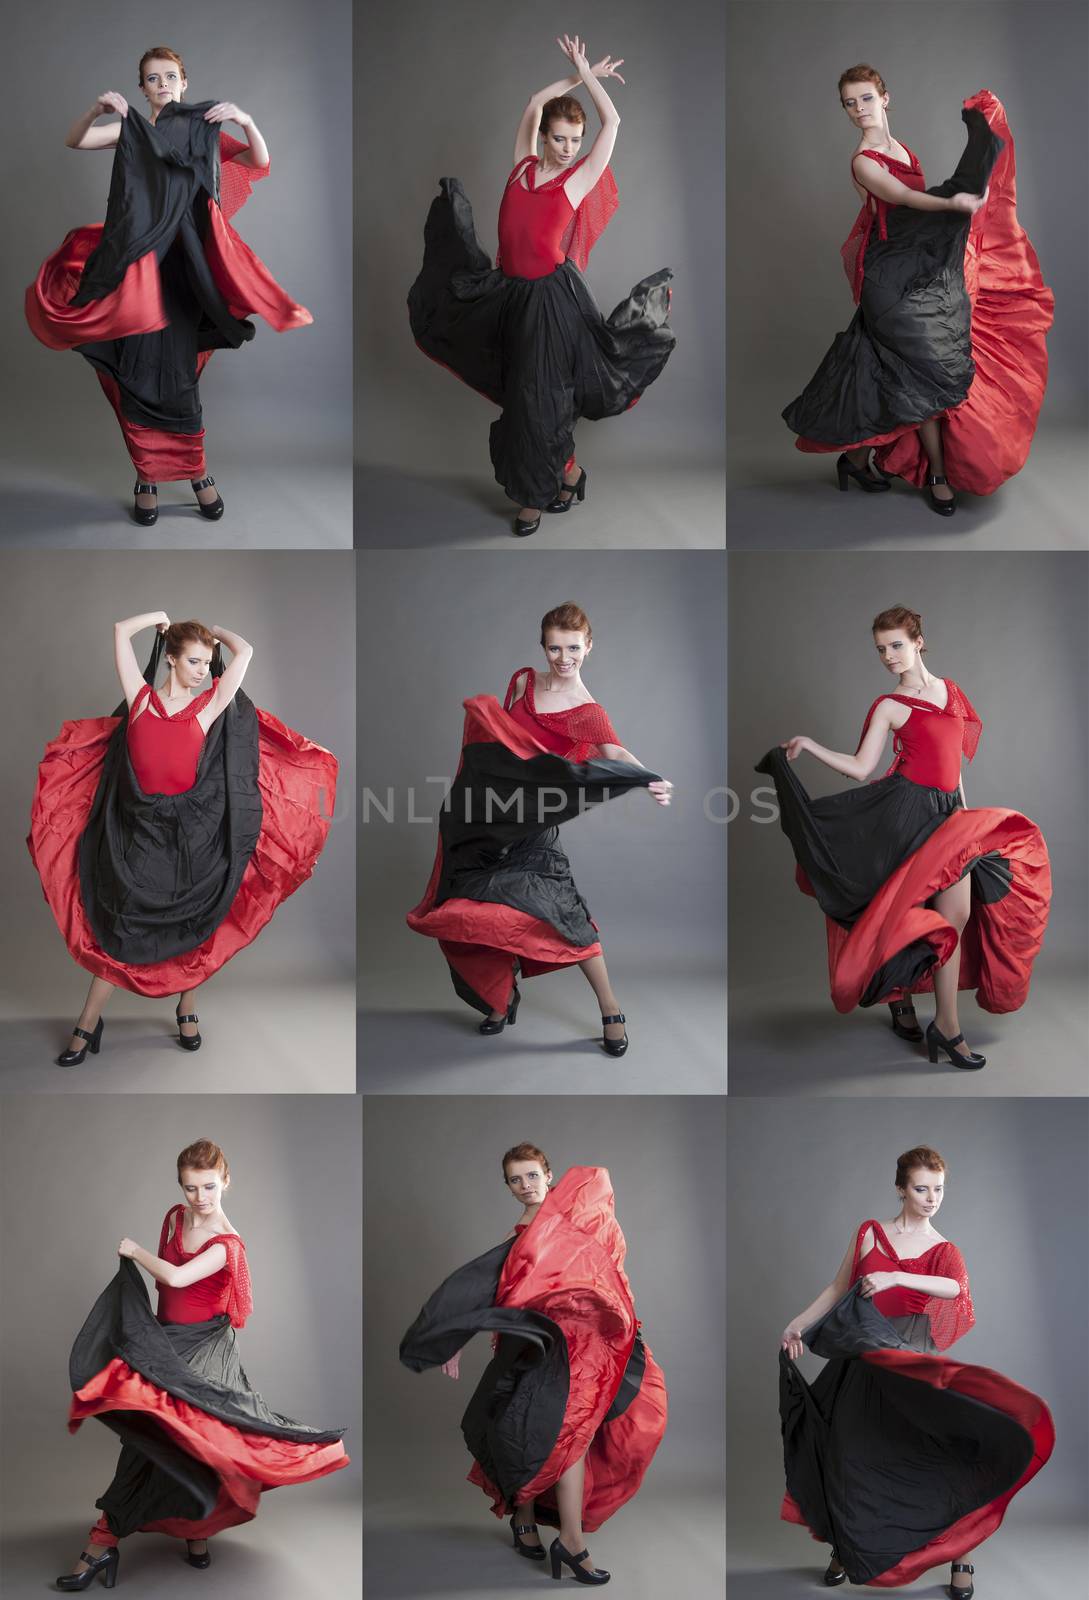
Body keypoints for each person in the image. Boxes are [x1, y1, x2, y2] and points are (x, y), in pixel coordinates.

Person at [29, 613, 338, 1063]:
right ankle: (88, 1024)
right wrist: (156, 619)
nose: (201, 670)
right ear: (171, 659)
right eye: (194, 661)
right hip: (136, 834)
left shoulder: (208, 708)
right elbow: (119, 631)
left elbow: (245, 652)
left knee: (191, 924)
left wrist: (216, 634)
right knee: (121, 927)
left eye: (206, 662)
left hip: (192, 839)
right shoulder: (139, 700)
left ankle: (186, 1008)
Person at [26, 45, 311, 524]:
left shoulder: (202, 132)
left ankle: (197, 472)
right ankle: (147, 477)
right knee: (135, 372)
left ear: (184, 83)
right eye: (152, 79)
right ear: (142, 89)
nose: (162, 85)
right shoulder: (132, 129)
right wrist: (97, 110)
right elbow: (76, 141)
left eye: (170, 77)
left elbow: (259, 159)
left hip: (182, 275)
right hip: (135, 273)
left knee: (178, 378)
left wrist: (245, 119)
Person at [755, 605, 1050, 1065]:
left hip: (949, 818)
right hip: (902, 816)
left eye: (895, 645)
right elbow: (860, 768)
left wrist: (967, 820)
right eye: (880, 650)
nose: (888, 656)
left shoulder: (951, 692)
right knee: (899, 912)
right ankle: (912, 1007)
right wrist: (810, 745)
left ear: (918, 641)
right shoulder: (889, 705)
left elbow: (954, 771)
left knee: (953, 920)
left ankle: (944, 1024)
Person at [409, 34, 675, 535]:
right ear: (544, 138)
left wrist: (591, 79)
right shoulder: (520, 168)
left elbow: (613, 123)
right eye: (560, 138)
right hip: (508, 297)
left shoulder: (573, 183)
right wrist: (576, 70)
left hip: (552, 303)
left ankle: (536, 494)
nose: (569, 149)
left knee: (540, 398)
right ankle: (569, 474)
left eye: (575, 140)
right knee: (528, 393)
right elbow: (534, 103)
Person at [55, 1138, 348, 1590]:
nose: (200, 1198)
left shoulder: (227, 1245)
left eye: (209, 1187)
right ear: (181, 1186)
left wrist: (133, 1252)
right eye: (191, 1188)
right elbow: (162, 1295)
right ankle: (146, 1540)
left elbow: (173, 1277)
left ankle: (107, 1545)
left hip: (205, 1351)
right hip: (164, 1344)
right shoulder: (174, 1218)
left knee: (199, 1443)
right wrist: (148, 1339)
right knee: (154, 1441)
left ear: (226, 1182)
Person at [779, 1145, 1053, 1596]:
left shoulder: (943, 1249)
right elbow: (838, 1287)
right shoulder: (868, 1232)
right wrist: (798, 1325)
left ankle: (961, 1558)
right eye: (921, 1188)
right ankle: (847, 1549)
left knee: (944, 1460)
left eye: (939, 1189)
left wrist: (897, 1278)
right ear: (901, 1189)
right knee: (850, 1457)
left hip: (912, 1362)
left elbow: (956, 1289)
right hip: (863, 1362)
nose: (932, 1198)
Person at [782, 68, 1052, 517]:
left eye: (866, 99)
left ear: (885, 99)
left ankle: (854, 459)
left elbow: (918, 206)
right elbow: (906, 200)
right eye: (849, 103)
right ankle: (937, 475)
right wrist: (951, 205)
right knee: (924, 370)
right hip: (887, 276)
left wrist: (963, 195)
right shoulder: (864, 160)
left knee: (894, 369)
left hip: (916, 263)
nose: (858, 110)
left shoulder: (901, 147)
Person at [407, 602, 673, 1054]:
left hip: (532, 831)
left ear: (589, 646)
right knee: (470, 909)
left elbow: (616, 755)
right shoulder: (524, 683)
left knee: (565, 916)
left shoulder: (589, 713)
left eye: (573, 647)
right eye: (554, 647)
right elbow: (503, 746)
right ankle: (500, 997)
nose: (563, 657)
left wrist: (649, 777)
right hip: (485, 821)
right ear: (543, 647)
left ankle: (611, 1010)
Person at [400, 1144, 668, 1586]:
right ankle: (541, 1528)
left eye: (531, 1176)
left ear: (549, 1175)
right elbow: (490, 1287)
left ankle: (565, 1536)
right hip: (535, 1346)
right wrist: (454, 1340)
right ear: (507, 1186)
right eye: (515, 1180)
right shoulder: (519, 1233)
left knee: (569, 1434)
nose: (525, 1186)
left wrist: (622, 1324)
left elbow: (609, 1271)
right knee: (530, 1430)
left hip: (583, 1346)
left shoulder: (579, 1216)